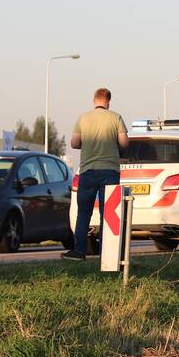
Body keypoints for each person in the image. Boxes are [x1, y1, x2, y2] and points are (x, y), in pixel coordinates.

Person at [62, 87, 128, 260]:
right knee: (108, 214)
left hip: (88, 171)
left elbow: (75, 143)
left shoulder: (83, 118)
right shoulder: (116, 117)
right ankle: (108, 253)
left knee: (84, 213)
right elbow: (124, 143)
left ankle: (79, 251)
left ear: (94, 100)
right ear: (108, 102)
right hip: (110, 171)